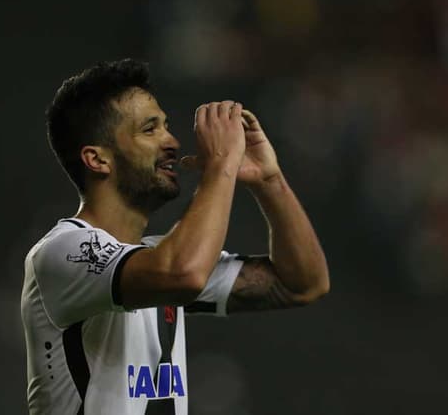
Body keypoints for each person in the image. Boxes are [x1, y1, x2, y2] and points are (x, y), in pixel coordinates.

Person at [21, 59, 329, 415]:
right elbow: (184, 272)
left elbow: (303, 283)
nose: (172, 141)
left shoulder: (157, 261)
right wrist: (221, 165)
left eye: (166, 126)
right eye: (149, 129)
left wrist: (269, 182)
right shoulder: (63, 253)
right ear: (97, 159)